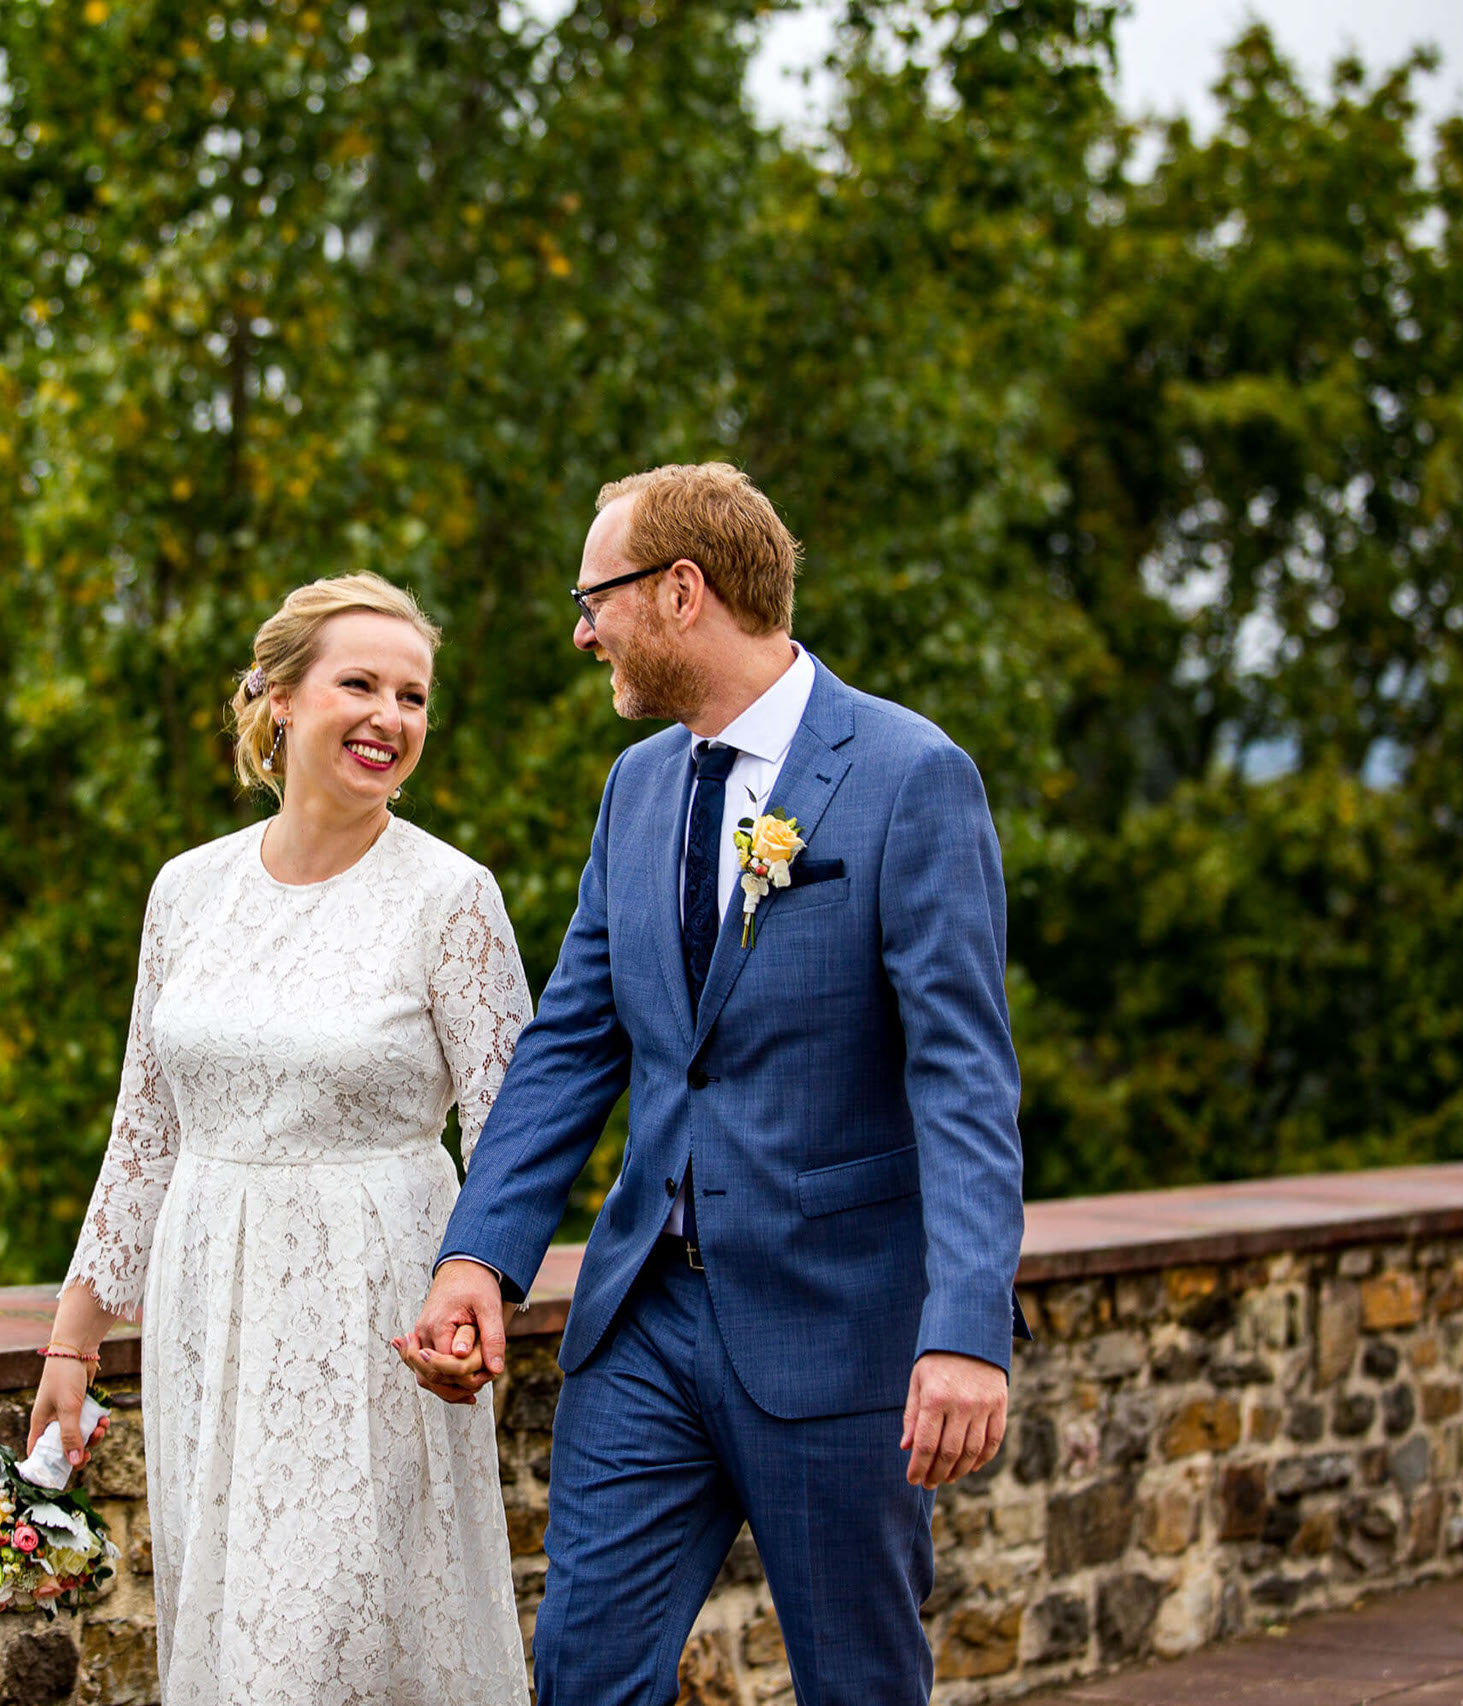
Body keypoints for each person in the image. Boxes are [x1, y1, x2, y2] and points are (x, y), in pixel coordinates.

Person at [398, 464, 1027, 1706]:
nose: (583, 632)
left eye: (596, 598)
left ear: (681, 590)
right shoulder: (635, 788)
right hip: (642, 1322)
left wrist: (965, 1325)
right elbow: (574, 1042)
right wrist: (479, 1254)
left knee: (858, 1683)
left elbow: (962, 1076)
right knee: (582, 1676)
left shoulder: (910, 773)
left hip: (838, 1327)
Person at [33, 572, 534, 1706]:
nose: (390, 716)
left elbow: (515, 1130)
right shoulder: (186, 891)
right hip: (207, 1311)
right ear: (279, 697)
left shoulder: (451, 897)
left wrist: (479, 1294)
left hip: (375, 1313)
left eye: (413, 696)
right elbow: (145, 1128)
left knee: (327, 1643)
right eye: (360, 684)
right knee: (230, 1630)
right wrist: (73, 1345)